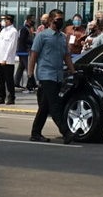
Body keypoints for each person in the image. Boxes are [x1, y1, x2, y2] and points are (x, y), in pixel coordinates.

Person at [27, 9, 76, 144]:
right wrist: (30, 75)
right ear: (50, 20)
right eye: (57, 19)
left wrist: (73, 72)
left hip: (58, 76)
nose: (60, 22)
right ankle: (66, 132)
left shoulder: (62, 37)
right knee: (55, 105)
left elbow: (66, 56)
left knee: (45, 106)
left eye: (62, 19)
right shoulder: (42, 36)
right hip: (46, 74)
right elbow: (33, 56)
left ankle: (35, 133)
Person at [0, 14, 19, 105]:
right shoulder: (3, 30)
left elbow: (11, 47)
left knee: (9, 80)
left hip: (7, 60)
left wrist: (5, 58)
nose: (3, 21)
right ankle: (1, 97)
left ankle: (11, 98)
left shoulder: (13, 31)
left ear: (9, 20)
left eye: (5, 20)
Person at [15, 15, 36, 92]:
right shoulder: (24, 29)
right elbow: (23, 40)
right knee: (29, 67)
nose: (33, 22)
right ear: (28, 20)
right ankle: (32, 83)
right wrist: (31, 44)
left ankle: (16, 82)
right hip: (24, 51)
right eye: (32, 20)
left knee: (21, 67)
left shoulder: (27, 29)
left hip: (23, 51)